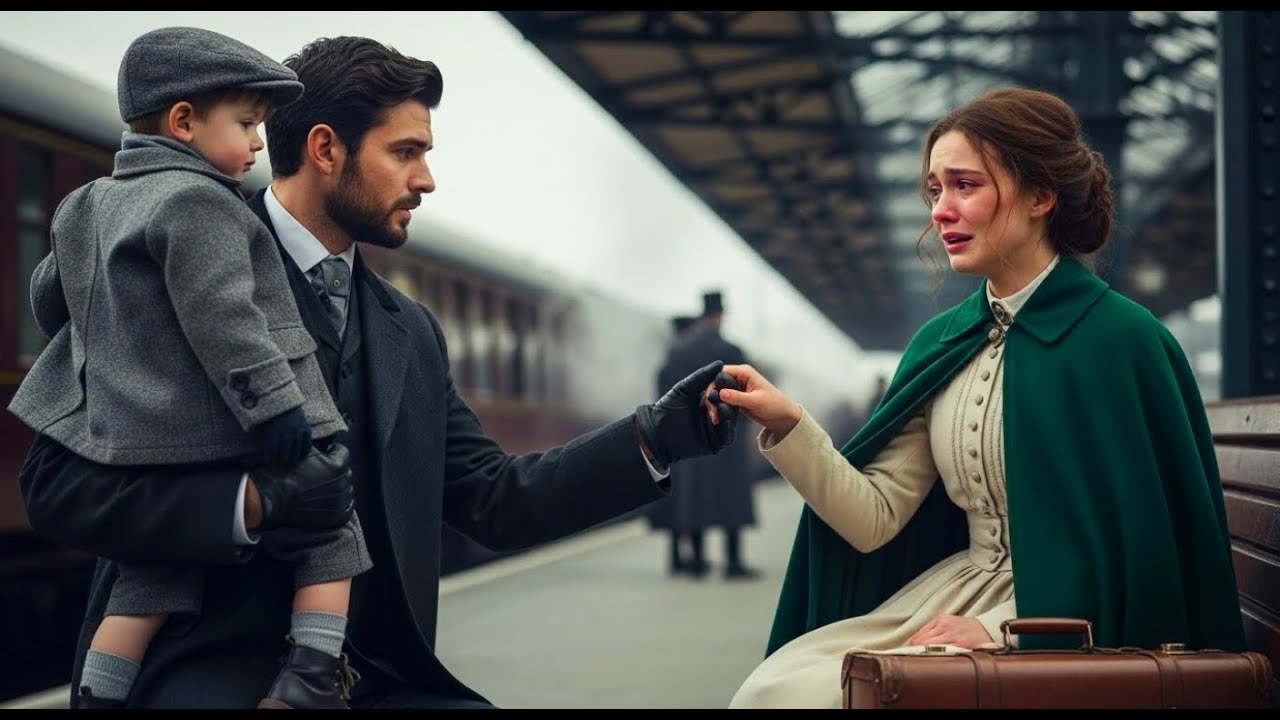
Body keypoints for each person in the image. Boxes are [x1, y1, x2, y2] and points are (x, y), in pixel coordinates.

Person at [16, 34, 739, 709]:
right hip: (200, 666)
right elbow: (55, 486)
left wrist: (657, 434)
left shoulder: (410, 331)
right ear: (327, 149)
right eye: (406, 152)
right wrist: (253, 504)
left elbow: (494, 500)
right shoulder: (166, 261)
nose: (426, 180)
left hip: (373, 676)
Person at [713, 87, 1245, 708]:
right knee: (779, 685)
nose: (940, 210)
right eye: (934, 190)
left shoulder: (1124, 342)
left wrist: (998, 631)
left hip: (1065, 624)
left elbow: (1142, 554)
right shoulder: (944, 341)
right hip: (957, 594)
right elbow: (874, 518)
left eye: (964, 185)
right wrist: (791, 425)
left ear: (1041, 197)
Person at [8, 26, 376, 710]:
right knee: (331, 533)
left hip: (131, 440)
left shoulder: (84, 204)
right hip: (220, 427)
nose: (259, 144)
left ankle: (97, 694)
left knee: (149, 578)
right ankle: (312, 678)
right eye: (246, 124)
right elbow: (225, 318)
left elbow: (51, 301)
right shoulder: (202, 203)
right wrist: (277, 408)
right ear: (184, 122)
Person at [648, 292, 760, 580]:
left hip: (691, 437)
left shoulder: (679, 352)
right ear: (720, 316)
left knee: (695, 498)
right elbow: (742, 396)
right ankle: (733, 563)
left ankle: (697, 562)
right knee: (729, 500)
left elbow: (667, 398)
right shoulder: (731, 351)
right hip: (726, 435)